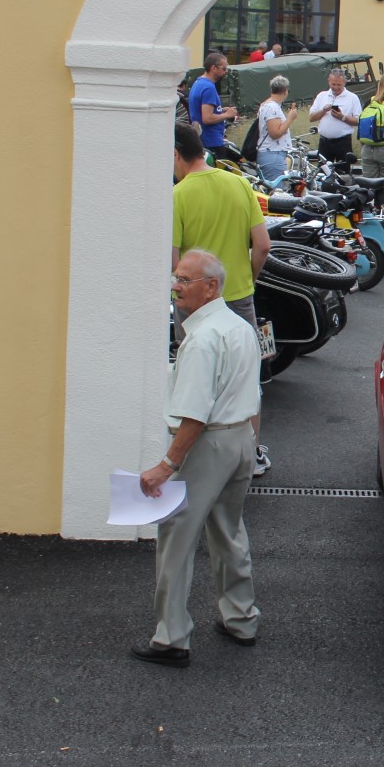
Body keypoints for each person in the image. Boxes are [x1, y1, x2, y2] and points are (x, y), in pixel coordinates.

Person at [131, 249, 263, 668]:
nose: (176, 286)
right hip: (242, 437)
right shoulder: (240, 327)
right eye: (176, 278)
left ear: (211, 287)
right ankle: (241, 619)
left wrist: (165, 467)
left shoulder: (202, 340)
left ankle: (171, 639)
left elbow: (194, 416)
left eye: (185, 280)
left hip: (209, 446)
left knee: (176, 537)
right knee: (228, 530)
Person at [171, 124, 272, 476]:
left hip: (196, 306)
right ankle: (251, 454)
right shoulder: (239, 183)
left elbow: (174, 262)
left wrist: (178, 293)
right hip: (239, 297)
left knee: (197, 378)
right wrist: (248, 281)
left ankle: (196, 453)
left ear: (176, 154)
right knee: (246, 377)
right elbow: (262, 245)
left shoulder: (178, 195)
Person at [188, 53, 236, 166]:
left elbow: (201, 110)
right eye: (224, 68)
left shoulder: (198, 83)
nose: (225, 72)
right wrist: (227, 114)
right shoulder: (208, 87)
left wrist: (220, 110)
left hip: (201, 139)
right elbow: (207, 118)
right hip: (212, 141)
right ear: (213, 68)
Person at [308, 68, 361, 169]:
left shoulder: (352, 97)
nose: (336, 87)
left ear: (344, 82)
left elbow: (358, 121)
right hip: (324, 142)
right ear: (329, 81)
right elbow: (311, 118)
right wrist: (323, 110)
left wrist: (342, 117)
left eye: (339, 85)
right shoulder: (322, 96)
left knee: (343, 173)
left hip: (343, 142)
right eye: (333, 84)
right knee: (323, 173)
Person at [254, 75, 300, 184]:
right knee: (277, 191)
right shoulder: (272, 107)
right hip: (273, 154)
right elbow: (275, 133)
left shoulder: (267, 105)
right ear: (285, 91)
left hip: (272, 153)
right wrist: (290, 118)